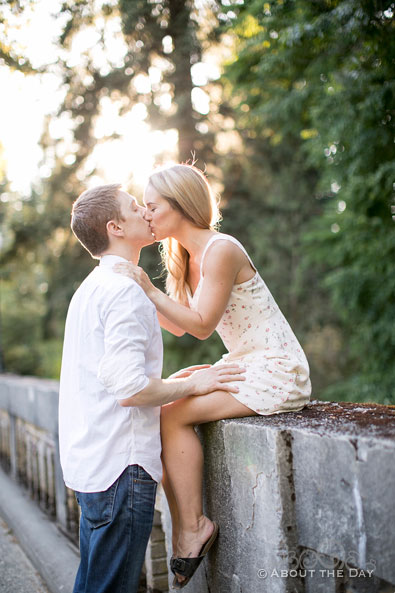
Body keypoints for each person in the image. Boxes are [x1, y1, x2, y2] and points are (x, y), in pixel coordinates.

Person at [114, 163, 312, 588]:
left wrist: (147, 290)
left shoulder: (221, 248)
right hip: (246, 359)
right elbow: (178, 323)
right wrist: (128, 287)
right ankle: (188, 523)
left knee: (171, 414)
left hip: (277, 368)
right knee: (167, 400)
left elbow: (202, 324)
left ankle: (193, 528)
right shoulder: (184, 256)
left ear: (180, 206)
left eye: (153, 207)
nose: (146, 215)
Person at [58, 183, 246, 593]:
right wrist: (193, 384)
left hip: (91, 465)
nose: (145, 210)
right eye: (133, 207)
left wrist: (174, 385)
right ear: (115, 227)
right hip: (120, 468)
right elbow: (130, 390)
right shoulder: (124, 293)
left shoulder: (90, 289)